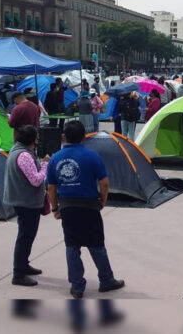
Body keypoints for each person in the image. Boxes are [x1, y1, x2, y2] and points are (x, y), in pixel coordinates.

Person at [47, 121, 125, 299]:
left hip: (68, 207)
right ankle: (106, 279)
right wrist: (102, 201)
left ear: (64, 137)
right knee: (97, 245)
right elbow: (104, 183)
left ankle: (77, 286)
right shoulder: (92, 156)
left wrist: (55, 208)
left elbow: (51, 187)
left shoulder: (55, 158)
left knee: (72, 246)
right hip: (89, 206)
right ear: (84, 136)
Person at [3, 125, 50, 287]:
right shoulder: (23, 156)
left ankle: (24, 264)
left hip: (25, 201)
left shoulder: (19, 151)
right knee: (25, 237)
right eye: (36, 137)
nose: (38, 140)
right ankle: (18, 273)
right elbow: (36, 180)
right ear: (32, 140)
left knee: (28, 236)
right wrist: (45, 165)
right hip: (26, 203)